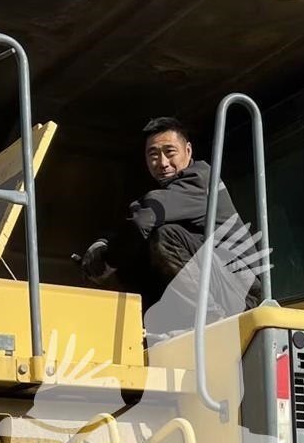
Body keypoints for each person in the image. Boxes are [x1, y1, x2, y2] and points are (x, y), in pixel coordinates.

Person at [81, 117, 261, 326]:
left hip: (242, 292)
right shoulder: (175, 190)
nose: (162, 163)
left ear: (188, 151)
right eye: (153, 155)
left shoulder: (199, 179)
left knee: (165, 237)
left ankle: (211, 320)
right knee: (140, 252)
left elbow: (143, 219)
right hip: (221, 285)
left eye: (170, 152)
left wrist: (105, 259)